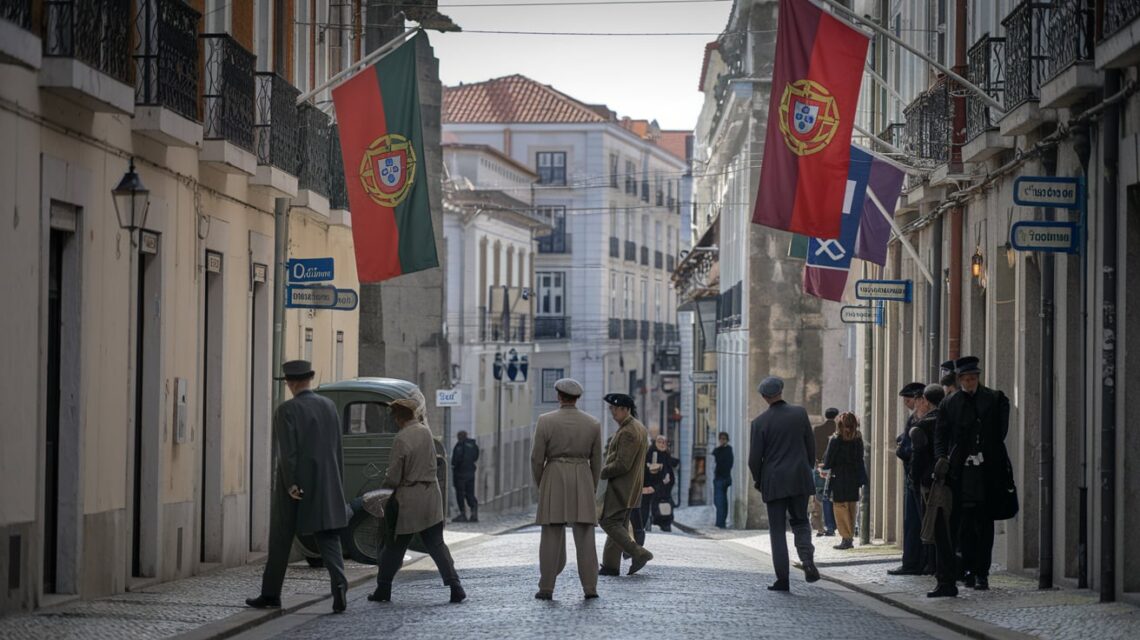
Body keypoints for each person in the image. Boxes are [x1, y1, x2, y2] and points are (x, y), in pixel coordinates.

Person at [247, 360, 349, 613]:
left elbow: (287, 454)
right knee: (328, 536)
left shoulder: (287, 410)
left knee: (281, 539)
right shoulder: (329, 407)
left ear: (291, 383)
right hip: (327, 482)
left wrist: (292, 484)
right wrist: (337, 483)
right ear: (309, 379)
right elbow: (338, 448)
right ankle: (339, 583)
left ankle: (271, 594)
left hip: (294, 486)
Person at [929, 356, 1012, 597]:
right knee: (962, 524)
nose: (969, 382)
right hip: (959, 474)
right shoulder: (949, 403)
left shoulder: (995, 399)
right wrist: (942, 459)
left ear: (978, 378)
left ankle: (982, 573)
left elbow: (1000, 434)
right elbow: (940, 436)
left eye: (973, 378)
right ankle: (965, 569)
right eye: (965, 378)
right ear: (959, 379)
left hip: (987, 472)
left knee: (984, 524)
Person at [370, 396, 465, 604]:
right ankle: (455, 586)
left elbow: (394, 475)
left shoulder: (402, 438)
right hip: (431, 495)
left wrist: (383, 489)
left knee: (395, 546)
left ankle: (383, 589)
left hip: (409, 499)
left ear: (397, 417)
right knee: (437, 545)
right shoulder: (426, 432)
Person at [531, 378, 604, 600]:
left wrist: (542, 482)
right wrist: (590, 485)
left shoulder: (545, 421)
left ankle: (547, 587)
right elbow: (597, 461)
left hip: (554, 475)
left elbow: (536, 458)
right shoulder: (593, 424)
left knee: (551, 535)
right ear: (577, 398)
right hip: (582, 476)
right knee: (585, 537)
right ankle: (590, 587)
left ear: (559, 396)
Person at [748, 376, 820, 591]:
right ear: (781, 391)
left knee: (777, 531)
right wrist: (805, 469)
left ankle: (783, 579)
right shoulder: (800, 413)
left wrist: (759, 480)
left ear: (764, 397)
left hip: (774, 481)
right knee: (800, 522)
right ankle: (807, 561)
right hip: (799, 477)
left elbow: (754, 459)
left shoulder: (759, 422)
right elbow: (810, 446)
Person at [598, 393, 654, 577]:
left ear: (626, 409)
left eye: (615, 409)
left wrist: (602, 471)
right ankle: (610, 566)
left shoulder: (629, 431)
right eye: (611, 409)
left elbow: (623, 464)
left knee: (609, 522)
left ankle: (639, 552)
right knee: (619, 525)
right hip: (630, 487)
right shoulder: (636, 427)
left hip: (621, 487)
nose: (612, 412)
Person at [890, 382, 927, 576]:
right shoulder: (915, 418)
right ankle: (915, 562)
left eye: (908, 399)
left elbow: (907, 449)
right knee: (914, 522)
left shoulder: (918, 420)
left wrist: (900, 448)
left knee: (915, 522)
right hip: (915, 476)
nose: (906, 403)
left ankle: (914, 563)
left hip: (916, 477)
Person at [910, 384, 944, 576]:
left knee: (929, 523)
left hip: (927, 481)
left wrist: (914, 479)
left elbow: (918, 457)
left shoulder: (923, 424)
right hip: (947, 478)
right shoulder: (949, 420)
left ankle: (932, 564)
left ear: (926, 400)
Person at [822, 412, 866, 551]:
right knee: (852, 508)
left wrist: (824, 466)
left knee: (840, 508)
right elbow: (860, 459)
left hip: (839, 477)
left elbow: (828, 461)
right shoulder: (858, 438)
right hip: (854, 477)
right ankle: (850, 537)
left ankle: (846, 538)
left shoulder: (835, 439)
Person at [811, 409, 838, 537]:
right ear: (836, 416)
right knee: (835, 497)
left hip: (819, 466)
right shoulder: (839, 430)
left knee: (820, 496)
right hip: (836, 468)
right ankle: (834, 525)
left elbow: (813, 447)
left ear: (825, 416)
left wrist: (817, 463)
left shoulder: (817, 430)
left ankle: (821, 527)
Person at [645, 435, 678, 532]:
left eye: (663, 442)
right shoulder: (652, 453)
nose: (661, 444)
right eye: (659, 442)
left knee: (666, 503)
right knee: (655, 503)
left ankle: (665, 523)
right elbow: (649, 466)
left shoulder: (666, 454)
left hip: (666, 485)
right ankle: (656, 520)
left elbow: (669, 464)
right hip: (655, 483)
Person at [451, 430, 480, 523]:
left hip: (460, 474)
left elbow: (456, 459)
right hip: (471, 472)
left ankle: (463, 514)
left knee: (460, 494)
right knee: (470, 493)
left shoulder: (460, 445)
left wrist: (455, 465)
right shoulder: (472, 445)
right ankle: (474, 512)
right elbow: (476, 457)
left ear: (459, 437)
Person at [712, 432, 734, 528]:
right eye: (721, 438)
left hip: (721, 478)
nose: (722, 440)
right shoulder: (719, 450)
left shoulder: (725, 450)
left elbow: (726, 464)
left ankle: (720, 523)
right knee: (722, 501)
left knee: (719, 501)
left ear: (727, 440)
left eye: (724, 438)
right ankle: (721, 522)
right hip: (722, 478)